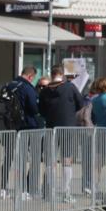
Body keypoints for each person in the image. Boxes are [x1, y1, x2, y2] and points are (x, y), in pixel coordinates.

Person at [39, 66, 85, 202]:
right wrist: (69, 112)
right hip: (68, 127)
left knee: (50, 161)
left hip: (51, 127)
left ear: (52, 75)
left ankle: (50, 192)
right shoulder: (70, 87)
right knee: (67, 160)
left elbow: (41, 110)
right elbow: (80, 103)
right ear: (62, 74)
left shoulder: (45, 91)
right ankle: (66, 193)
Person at [0, 66, 40, 199]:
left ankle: (3, 189)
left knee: (7, 157)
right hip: (24, 127)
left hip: (7, 127)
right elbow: (33, 108)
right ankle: (21, 191)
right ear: (31, 76)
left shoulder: (7, 85)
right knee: (21, 159)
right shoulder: (27, 88)